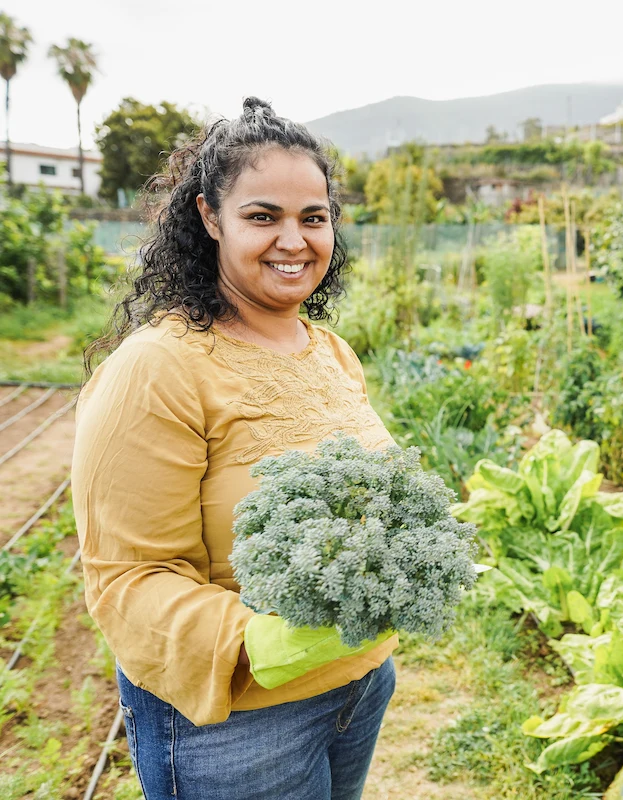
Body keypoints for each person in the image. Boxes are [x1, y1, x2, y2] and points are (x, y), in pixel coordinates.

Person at [73, 98, 397, 799]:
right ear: (209, 218)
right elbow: (125, 579)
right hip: (236, 727)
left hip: (360, 685)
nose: (295, 239)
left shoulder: (329, 351)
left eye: (314, 218)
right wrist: (258, 640)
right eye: (263, 216)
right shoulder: (157, 368)